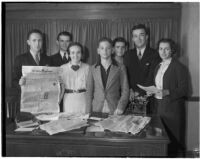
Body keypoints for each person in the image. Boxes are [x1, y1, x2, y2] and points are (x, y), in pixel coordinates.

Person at [147, 38, 188, 156]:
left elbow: (184, 90)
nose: (163, 52)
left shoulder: (179, 67)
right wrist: (152, 91)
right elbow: (158, 86)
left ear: (172, 50)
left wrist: (167, 92)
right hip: (159, 108)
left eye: (166, 49)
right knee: (161, 141)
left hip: (173, 110)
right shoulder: (158, 66)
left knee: (173, 142)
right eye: (160, 49)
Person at [86, 37, 129, 115]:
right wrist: (88, 112)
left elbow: (125, 90)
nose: (105, 51)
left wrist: (120, 107)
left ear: (112, 50)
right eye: (102, 48)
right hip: (96, 109)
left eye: (108, 48)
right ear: (98, 51)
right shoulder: (92, 69)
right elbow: (89, 92)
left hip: (115, 109)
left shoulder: (121, 68)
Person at [124, 24, 161, 114]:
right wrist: (129, 90)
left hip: (148, 99)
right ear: (132, 38)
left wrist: (139, 93)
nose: (138, 38)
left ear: (147, 37)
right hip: (131, 99)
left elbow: (153, 77)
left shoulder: (155, 54)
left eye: (141, 35)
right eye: (135, 36)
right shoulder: (128, 54)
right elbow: (125, 76)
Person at [60, 42, 90, 114]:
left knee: (84, 121)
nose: (75, 55)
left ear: (82, 54)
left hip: (83, 99)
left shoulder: (88, 68)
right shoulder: (62, 68)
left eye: (78, 52)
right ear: (69, 54)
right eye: (72, 52)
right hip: (68, 99)